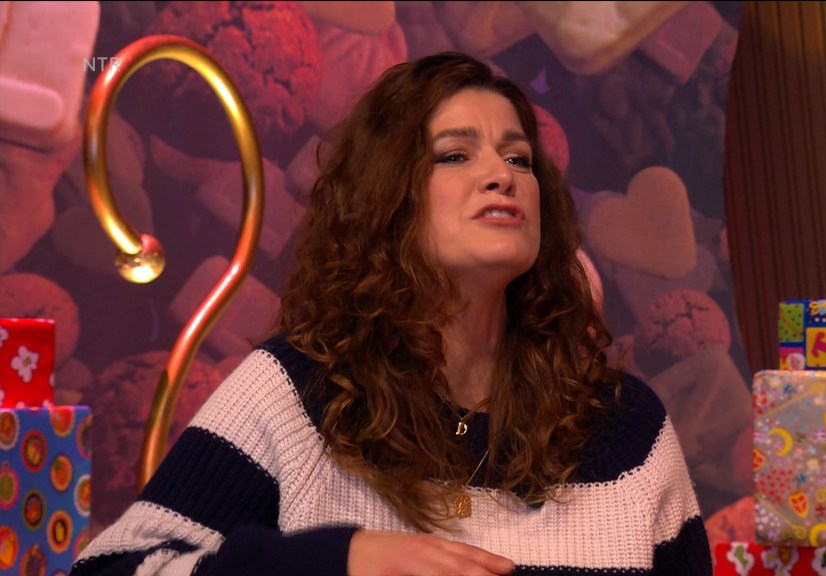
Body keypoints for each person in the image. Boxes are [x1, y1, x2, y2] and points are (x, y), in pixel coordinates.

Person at [71, 51, 713, 575]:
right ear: (387, 199)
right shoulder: (295, 393)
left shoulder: (627, 429)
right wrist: (334, 562)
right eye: (455, 155)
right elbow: (111, 571)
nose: (502, 175)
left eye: (518, 157)